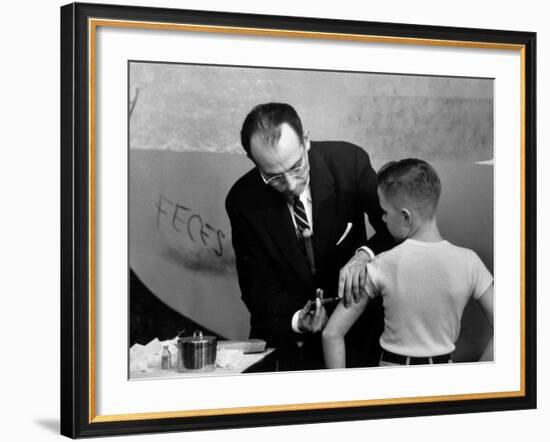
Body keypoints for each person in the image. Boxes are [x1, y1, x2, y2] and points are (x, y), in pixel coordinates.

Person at [225, 103, 394, 371]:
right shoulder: (242, 200)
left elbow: (393, 229)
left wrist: (365, 255)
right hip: (288, 343)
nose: (291, 186)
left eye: (296, 168)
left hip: (359, 334)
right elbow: (257, 290)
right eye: (274, 178)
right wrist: (297, 320)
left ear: (306, 141)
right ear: (253, 161)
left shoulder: (349, 163)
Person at [322, 159, 494, 368]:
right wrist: (481, 377)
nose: (383, 219)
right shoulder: (470, 262)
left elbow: (331, 333)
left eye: (384, 212)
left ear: (405, 216)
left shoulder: (381, 264)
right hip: (445, 379)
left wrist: (342, 397)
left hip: (391, 377)